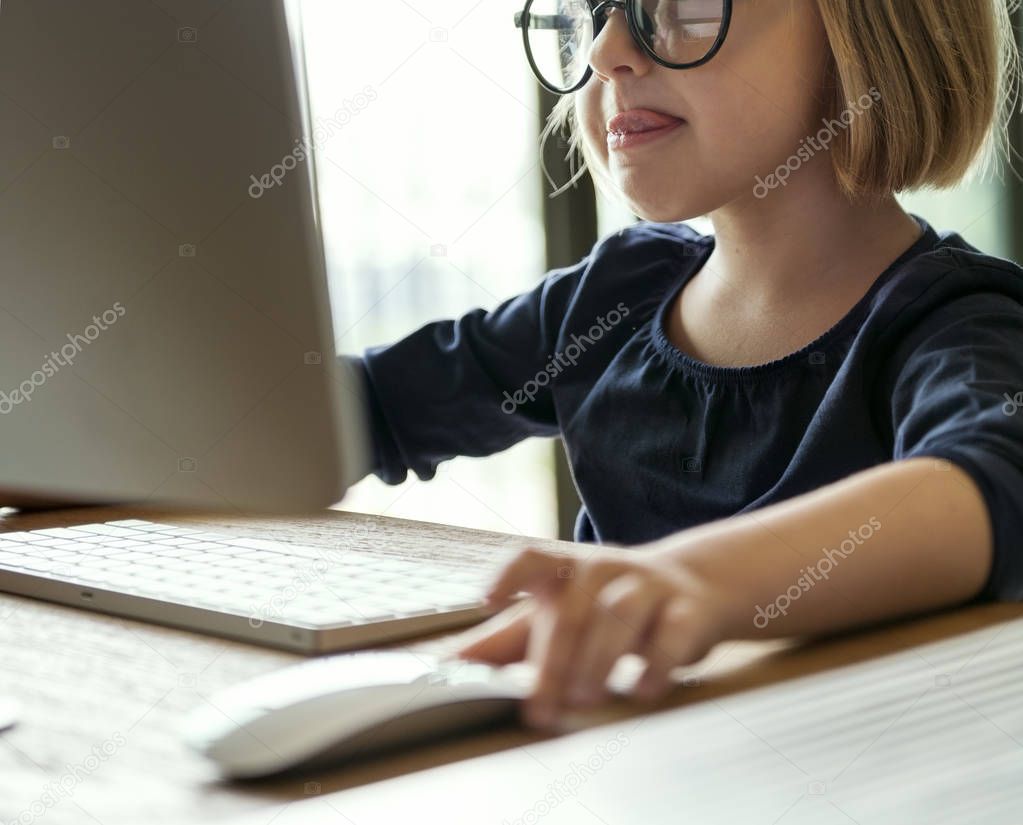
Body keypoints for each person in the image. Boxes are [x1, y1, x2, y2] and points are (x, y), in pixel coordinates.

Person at [345, 0, 1023, 729]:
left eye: (683, 9)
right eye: (587, 15)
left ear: (865, 37)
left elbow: (990, 486)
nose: (606, 51)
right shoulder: (617, 294)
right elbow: (365, 410)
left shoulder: (954, 320)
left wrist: (689, 579)